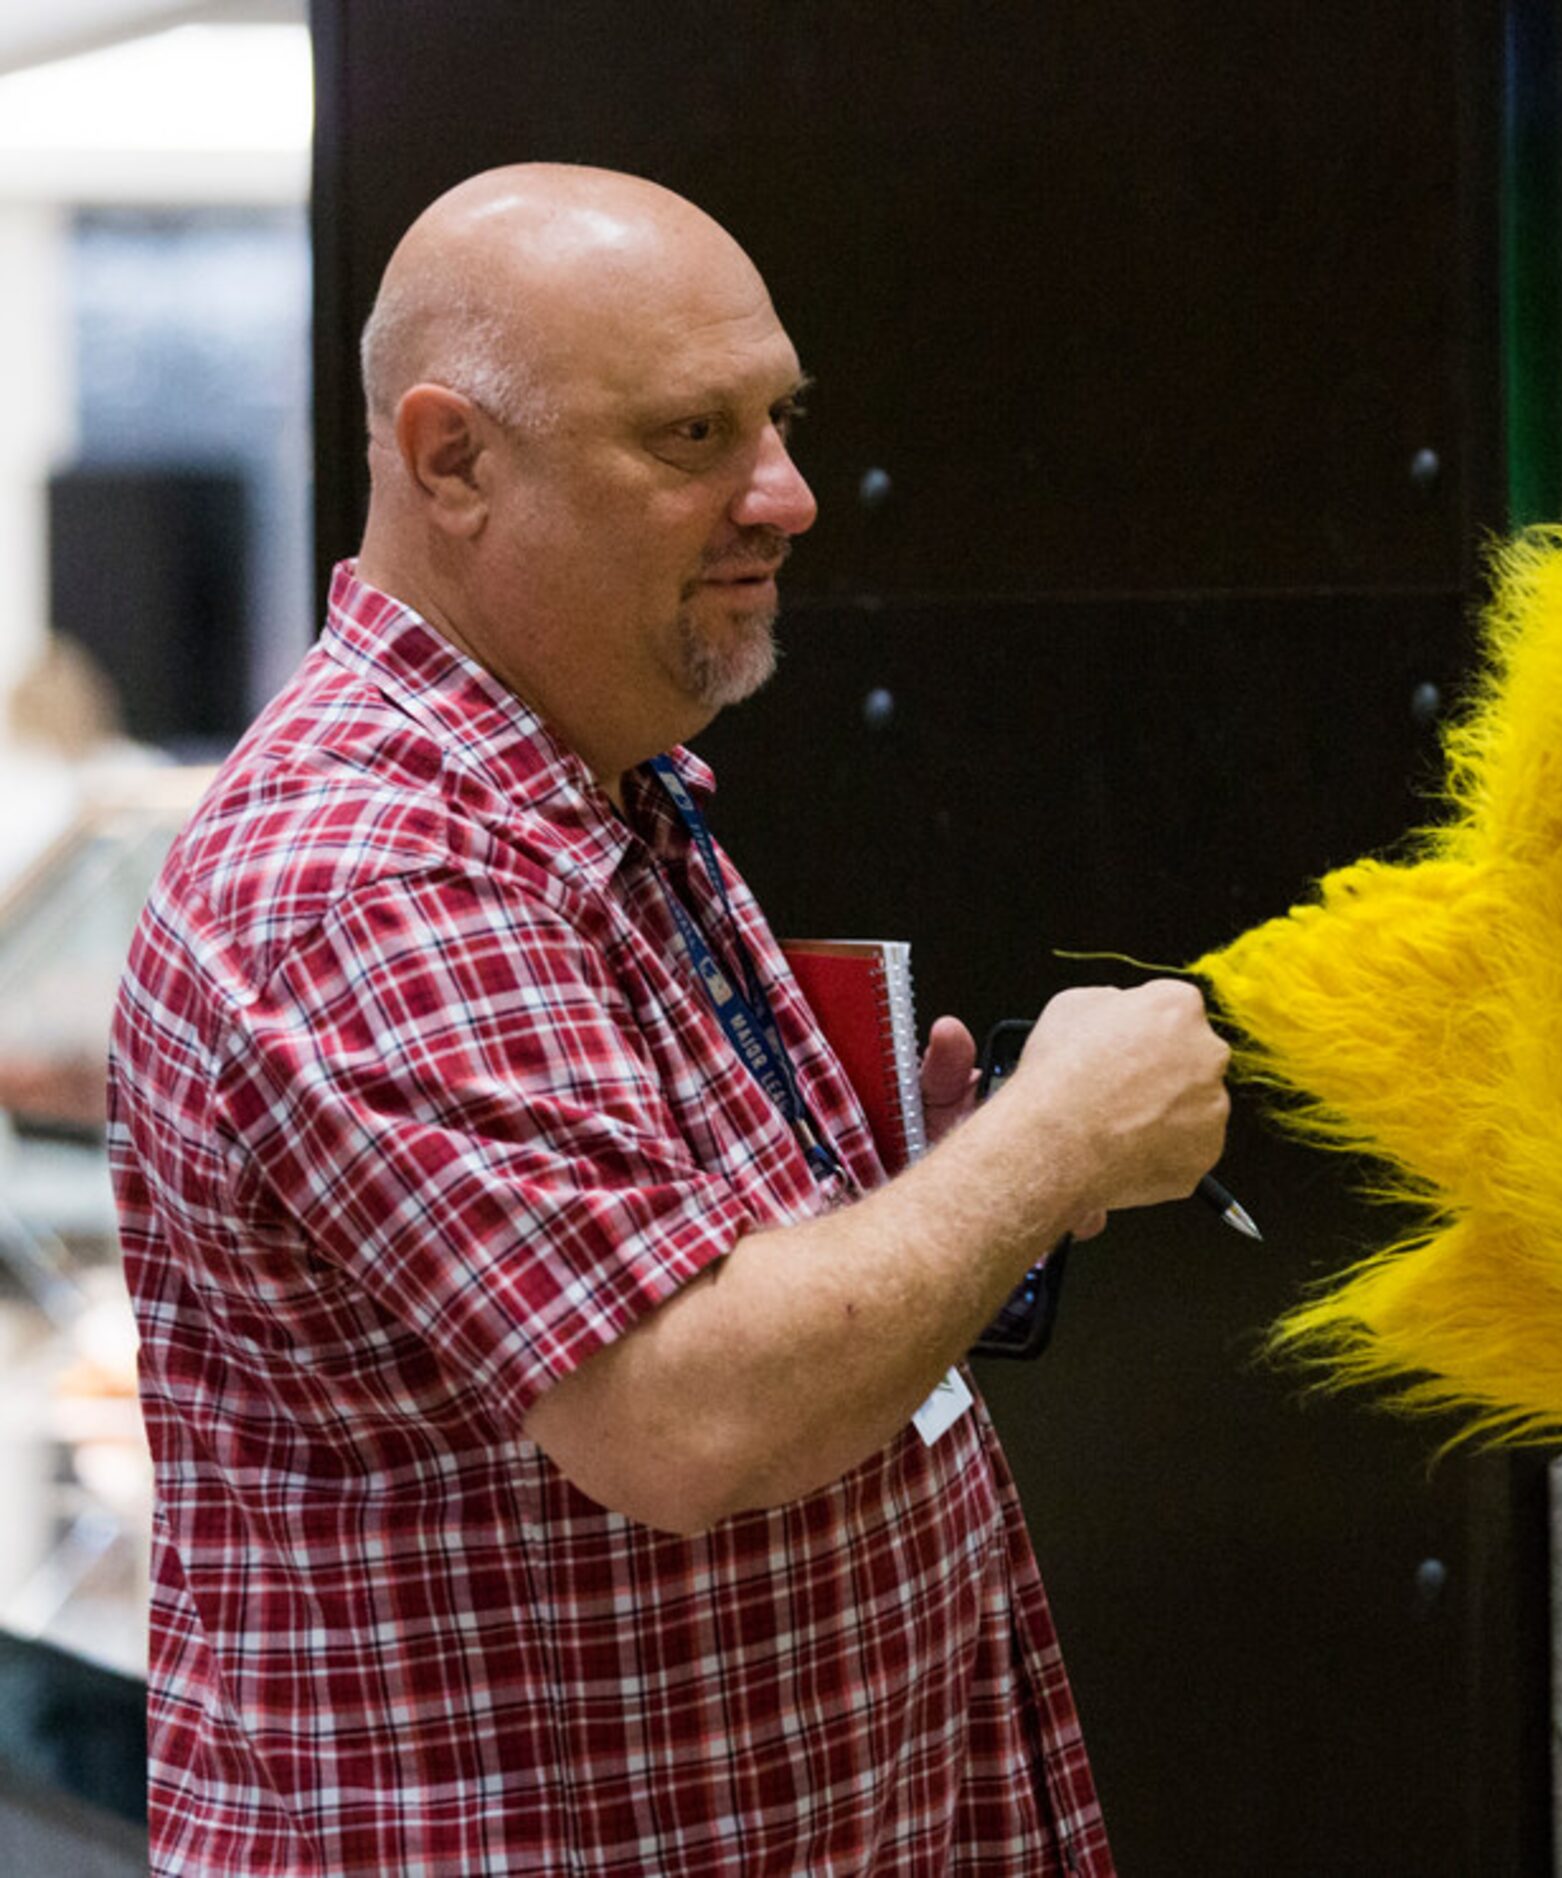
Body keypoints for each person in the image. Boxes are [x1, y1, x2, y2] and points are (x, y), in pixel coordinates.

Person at [107, 162, 1231, 1874]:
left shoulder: (589, 794)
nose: (784, 495)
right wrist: (1047, 1135)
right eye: (691, 438)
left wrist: (915, 1196)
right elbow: (686, 1412)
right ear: (452, 461)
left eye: (778, 419)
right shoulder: (379, 880)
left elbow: (657, 1298)